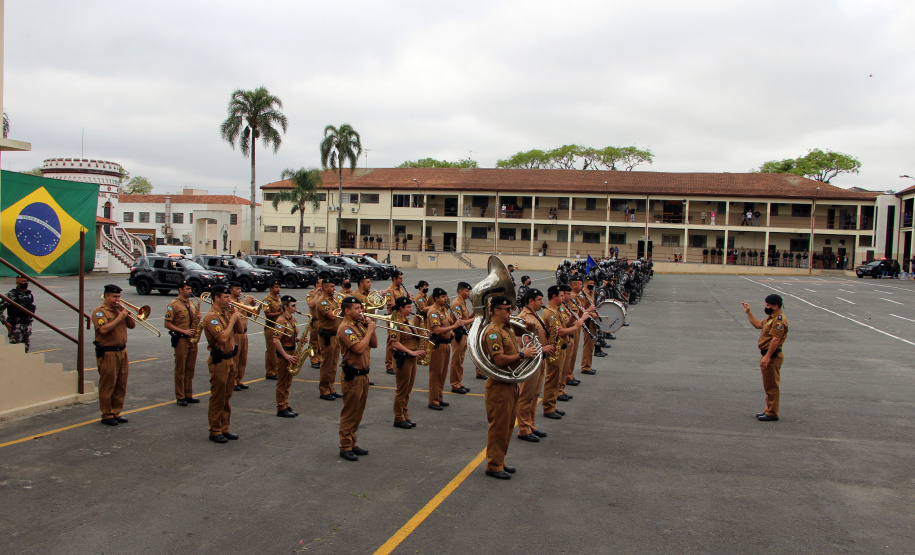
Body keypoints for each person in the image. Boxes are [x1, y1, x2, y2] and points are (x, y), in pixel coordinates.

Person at [482, 295, 538, 480]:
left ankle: (500, 460)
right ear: (496, 311)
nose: (511, 312)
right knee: (499, 427)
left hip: (510, 383)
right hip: (499, 386)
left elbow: (526, 333)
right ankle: (493, 465)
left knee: (507, 427)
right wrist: (522, 355)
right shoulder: (493, 331)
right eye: (507, 310)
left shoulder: (507, 328)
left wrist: (530, 328)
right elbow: (499, 360)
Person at [337, 296, 378, 461]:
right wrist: (369, 330)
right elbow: (359, 349)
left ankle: (353, 442)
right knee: (350, 413)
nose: (361, 311)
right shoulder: (345, 328)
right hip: (353, 376)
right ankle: (345, 446)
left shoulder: (359, 325)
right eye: (357, 308)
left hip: (363, 374)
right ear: (347, 311)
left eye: (361, 308)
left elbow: (374, 344)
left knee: (358, 412)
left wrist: (370, 328)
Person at [202, 285, 244, 443]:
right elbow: (222, 338)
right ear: (216, 298)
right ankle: (215, 430)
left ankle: (224, 428)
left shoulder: (226, 313)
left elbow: (240, 330)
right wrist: (232, 319)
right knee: (218, 397)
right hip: (219, 361)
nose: (229, 300)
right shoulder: (211, 317)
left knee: (227, 396)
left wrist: (235, 316)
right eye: (226, 297)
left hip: (230, 359)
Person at [92, 284, 136, 426]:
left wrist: (127, 314)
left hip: (122, 351)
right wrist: (119, 318)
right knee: (108, 385)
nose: (118, 300)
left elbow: (132, 325)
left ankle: (116, 412)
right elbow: (104, 330)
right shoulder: (99, 312)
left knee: (121, 384)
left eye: (119, 297)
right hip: (108, 352)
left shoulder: (119, 310)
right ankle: (106, 414)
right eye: (115, 297)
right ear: (106, 296)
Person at [741, 294, 788, 422]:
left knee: (772, 385)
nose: (766, 307)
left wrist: (767, 357)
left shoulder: (778, 320)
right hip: (767, 354)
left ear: (775, 306)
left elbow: (775, 340)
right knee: (768, 385)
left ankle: (772, 412)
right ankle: (769, 409)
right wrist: (748, 312)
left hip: (772, 355)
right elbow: (757, 324)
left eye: (768, 305)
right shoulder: (771, 318)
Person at [516, 289, 553, 443]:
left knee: (535, 394)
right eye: (539, 300)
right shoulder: (523, 317)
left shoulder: (536, 315)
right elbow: (522, 343)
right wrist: (542, 348)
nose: (542, 303)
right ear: (530, 301)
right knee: (526, 396)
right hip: (531, 361)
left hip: (540, 360)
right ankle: (523, 428)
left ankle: (531, 424)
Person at [388, 296, 425, 429]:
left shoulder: (407, 320)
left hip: (411, 358)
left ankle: (405, 414)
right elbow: (395, 343)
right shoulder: (395, 322)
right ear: (400, 308)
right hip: (403, 359)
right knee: (402, 390)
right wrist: (411, 352)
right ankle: (398, 417)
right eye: (408, 307)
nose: (411, 309)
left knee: (408, 389)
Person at [163, 281, 200, 406]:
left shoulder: (192, 303)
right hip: (181, 339)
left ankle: (188, 394)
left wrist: (198, 318)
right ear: (180, 289)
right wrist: (183, 331)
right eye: (187, 289)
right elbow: (167, 324)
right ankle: (180, 396)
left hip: (192, 339)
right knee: (180, 369)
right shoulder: (173, 305)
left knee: (190, 368)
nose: (190, 291)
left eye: (190, 289)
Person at [426, 288, 461, 410]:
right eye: (443, 297)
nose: (445, 299)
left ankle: (439, 398)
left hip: (446, 344)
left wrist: (455, 324)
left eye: (445, 296)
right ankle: (433, 400)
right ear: (436, 298)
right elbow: (437, 330)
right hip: (438, 345)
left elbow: (449, 324)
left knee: (443, 373)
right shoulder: (433, 311)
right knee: (436, 374)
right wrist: (454, 326)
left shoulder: (444, 310)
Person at [310, 279, 342, 400]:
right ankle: (324, 390)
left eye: (334, 286)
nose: (334, 289)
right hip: (327, 336)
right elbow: (332, 316)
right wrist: (344, 307)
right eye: (332, 287)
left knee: (334, 364)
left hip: (335, 335)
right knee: (326, 364)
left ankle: (331, 387)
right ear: (325, 288)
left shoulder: (333, 300)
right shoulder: (322, 301)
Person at [273, 295, 302, 418]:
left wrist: (299, 339)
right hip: (284, 354)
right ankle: (281, 407)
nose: (295, 307)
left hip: (292, 352)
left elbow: (289, 336)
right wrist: (285, 355)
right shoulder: (281, 321)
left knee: (288, 381)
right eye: (293, 305)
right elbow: (276, 340)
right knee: (282, 382)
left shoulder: (292, 319)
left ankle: (286, 403)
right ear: (285, 307)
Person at [448, 282, 475, 394]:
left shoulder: (463, 302)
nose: (469, 293)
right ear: (460, 291)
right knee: (456, 360)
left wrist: (475, 314)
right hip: (458, 334)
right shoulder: (456, 304)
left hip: (464, 334)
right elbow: (460, 322)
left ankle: (459, 382)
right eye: (467, 291)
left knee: (461, 360)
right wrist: (474, 319)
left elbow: (466, 318)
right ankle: (455, 384)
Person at [384, 271, 411, 375]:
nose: (402, 280)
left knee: (401, 340)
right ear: (394, 279)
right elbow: (392, 306)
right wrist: (403, 303)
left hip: (401, 318)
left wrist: (407, 300)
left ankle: (398, 361)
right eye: (400, 278)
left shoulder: (401, 289)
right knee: (391, 341)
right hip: (393, 318)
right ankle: (389, 365)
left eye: (402, 278)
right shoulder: (390, 290)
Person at [1, 274, 35, 352]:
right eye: (23, 281)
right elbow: (0, 309)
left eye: (26, 281)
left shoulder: (29, 294)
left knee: (25, 351)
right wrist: (5, 322)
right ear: (17, 283)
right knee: (15, 351)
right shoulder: (11, 295)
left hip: (27, 325)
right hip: (16, 326)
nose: (25, 283)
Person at [228, 283, 251, 391]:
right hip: (236, 333)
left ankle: (239, 379)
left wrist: (251, 305)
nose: (240, 291)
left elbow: (249, 314)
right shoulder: (229, 302)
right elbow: (235, 315)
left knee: (243, 358)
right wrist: (246, 304)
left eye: (240, 288)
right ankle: (232, 381)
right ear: (231, 290)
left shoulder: (240, 301)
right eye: (237, 289)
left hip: (244, 333)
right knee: (235, 358)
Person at [262, 280, 283, 380]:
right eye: (276, 287)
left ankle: (276, 369)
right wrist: (280, 313)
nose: (278, 289)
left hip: (278, 326)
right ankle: (270, 372)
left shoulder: (278, 298)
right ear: (271, 288)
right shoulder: (267, 300)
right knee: (271, 350)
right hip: (271, 326)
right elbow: (268, 314)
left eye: (279, 287)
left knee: (278, 350)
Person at [306, 279, 324, 370]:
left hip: (323, 321)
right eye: (321, 284)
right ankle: (313, 359)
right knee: (314, 342)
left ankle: (319, 358)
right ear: (317, 284)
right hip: (315, 321)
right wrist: (317, 294)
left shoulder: (324, 294)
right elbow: (311, 304)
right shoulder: (311, 294)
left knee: (321, 342)